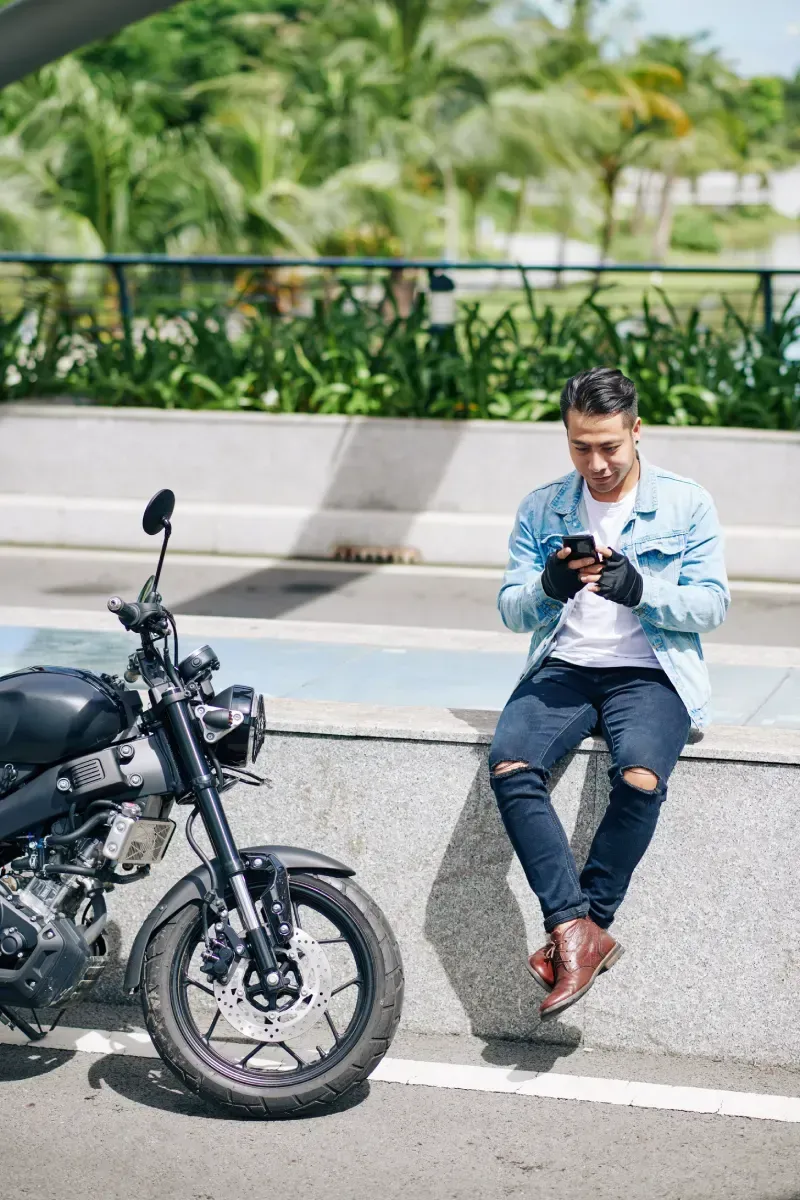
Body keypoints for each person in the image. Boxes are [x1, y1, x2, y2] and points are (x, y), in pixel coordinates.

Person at [489, 366, 730, 1021]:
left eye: (609, 447)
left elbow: (713, 606)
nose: (596, 462)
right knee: (510, 763)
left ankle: (588, 922)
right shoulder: (542, 507)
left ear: (636, 431)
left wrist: (642, 591)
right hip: (564, 666)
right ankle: (575, 931)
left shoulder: (685, 503)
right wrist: (549, 588)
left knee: (642, 777)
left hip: (651, 671)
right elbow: (510, 611)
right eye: (580, 447)